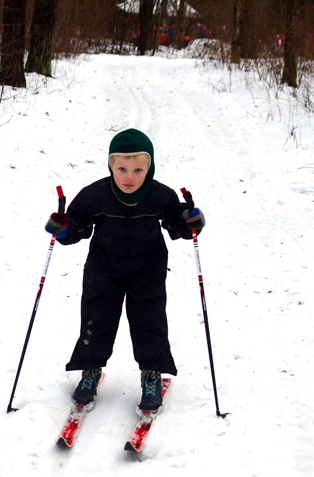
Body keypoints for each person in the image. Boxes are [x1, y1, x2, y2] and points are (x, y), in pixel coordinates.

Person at [44, 128, 204, 412]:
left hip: (148, 267)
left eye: (138, 169)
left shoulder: (159, 195)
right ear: (110, 166)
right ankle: (90, 370)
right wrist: (63, 228)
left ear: (149, 167)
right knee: (97, 317)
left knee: (149, 319)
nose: (129, 177)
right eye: (121, 168)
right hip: (104, 267)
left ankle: (151, 374)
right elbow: (77, 224)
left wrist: (189, 221)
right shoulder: (96, 195)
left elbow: (174, 221)